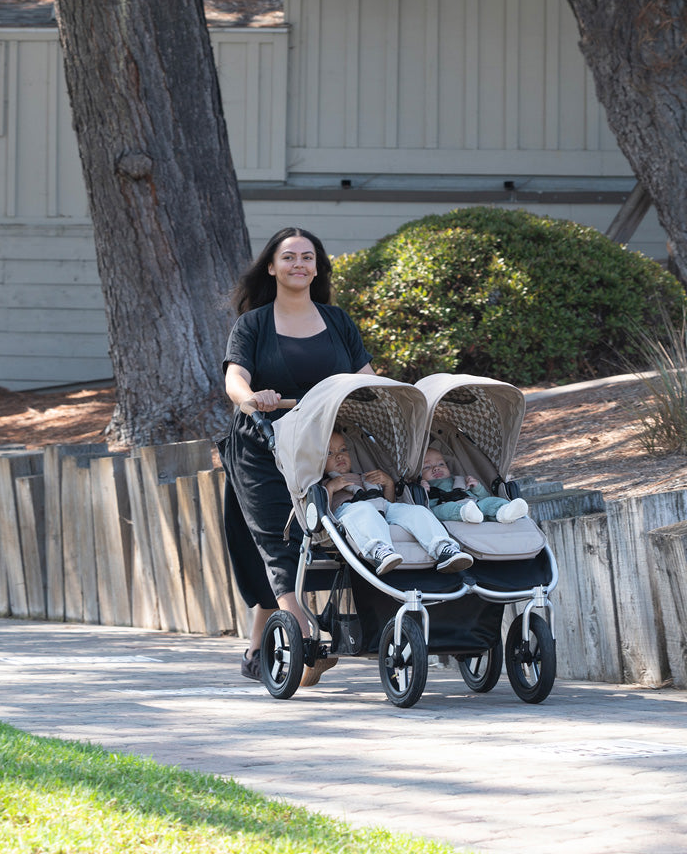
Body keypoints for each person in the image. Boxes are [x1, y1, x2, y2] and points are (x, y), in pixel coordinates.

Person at [219, 227, 374, 688]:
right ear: (272, 266)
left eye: (308, 257)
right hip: (261, 444)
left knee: (320, 536)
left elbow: (366, 377)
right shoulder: (252, 325)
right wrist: (252, 399)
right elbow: (234, 380)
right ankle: (303, 642)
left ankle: (256, 651)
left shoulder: (337, 321)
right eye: (289, 257)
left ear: (317, 268)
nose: (299, 264)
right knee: (276, 538)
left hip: (323, 446)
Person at [325, 432, 473, 576]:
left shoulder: (364, 476)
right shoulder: (324, 483)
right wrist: (330, 488)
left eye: (343, 450)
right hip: (350, 511)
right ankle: (379, 550)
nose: (339, 456)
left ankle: (443, 547)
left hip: (382, 506)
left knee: (417, 511)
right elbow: (324, 512)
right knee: (364, 509)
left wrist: (389, 483)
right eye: (329, 453)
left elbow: (388, 504)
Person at [419, 447, 530, 524]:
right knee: (443, 510)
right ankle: (465, 513)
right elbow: (423, 507)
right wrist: (422, 490)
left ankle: (506, 511)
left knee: (489, 502)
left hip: (474, 506)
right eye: (427, 467)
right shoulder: (424, 486)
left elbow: (484, 497)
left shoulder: (460, 480)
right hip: (445, 508)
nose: (436, 468)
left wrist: (477, 487)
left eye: (441, 464)